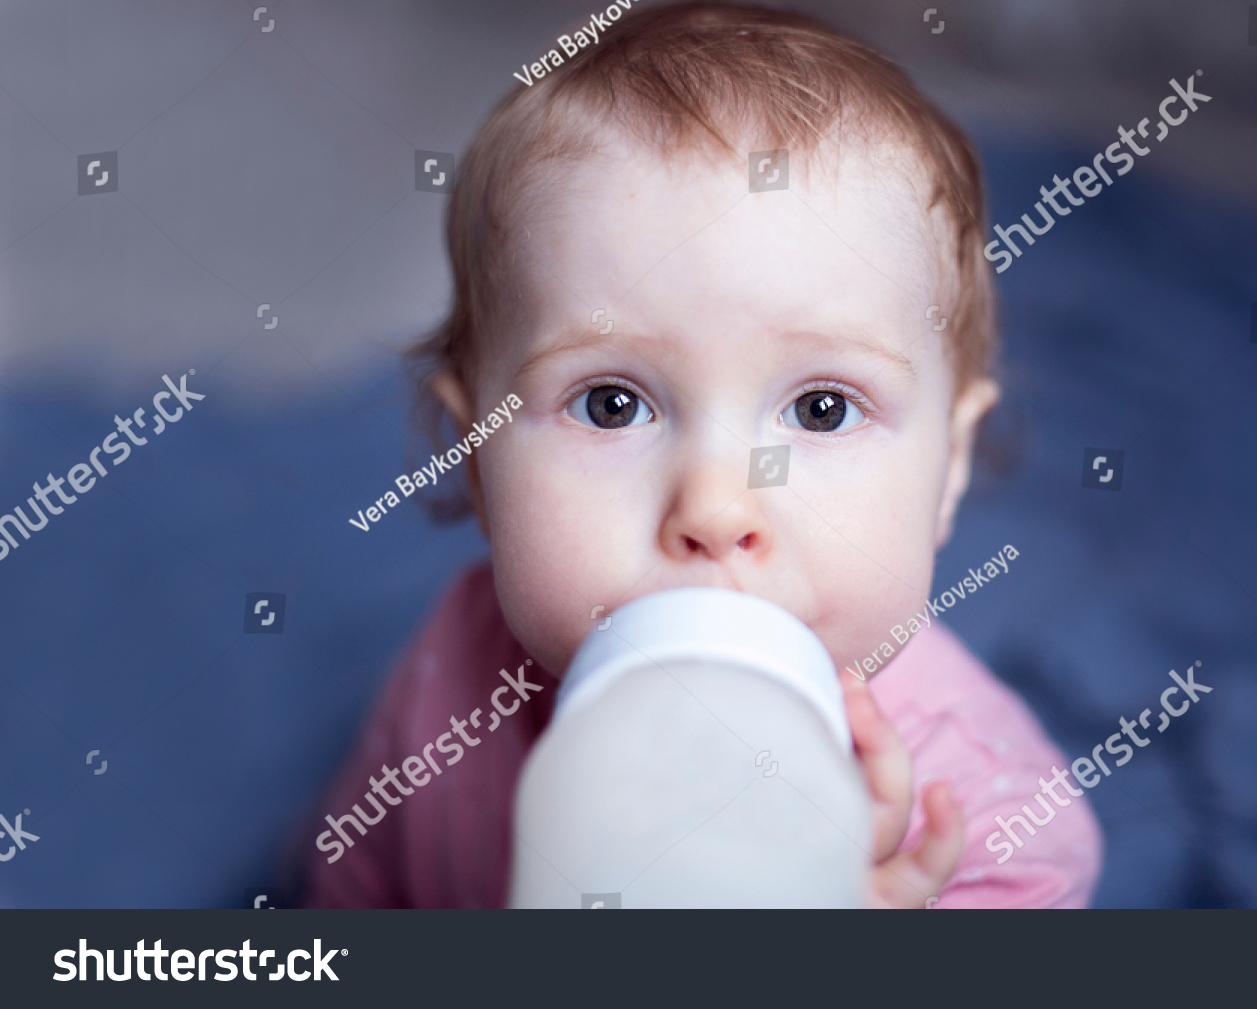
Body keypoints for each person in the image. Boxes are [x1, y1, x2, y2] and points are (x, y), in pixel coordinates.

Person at [302, 1, 1100, 908]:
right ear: (477, 459)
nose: (718, 508)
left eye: (824, 407)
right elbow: (365, 873)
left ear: (949, 465)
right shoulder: (456, 670)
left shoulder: (991, 828)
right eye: (611, 403)